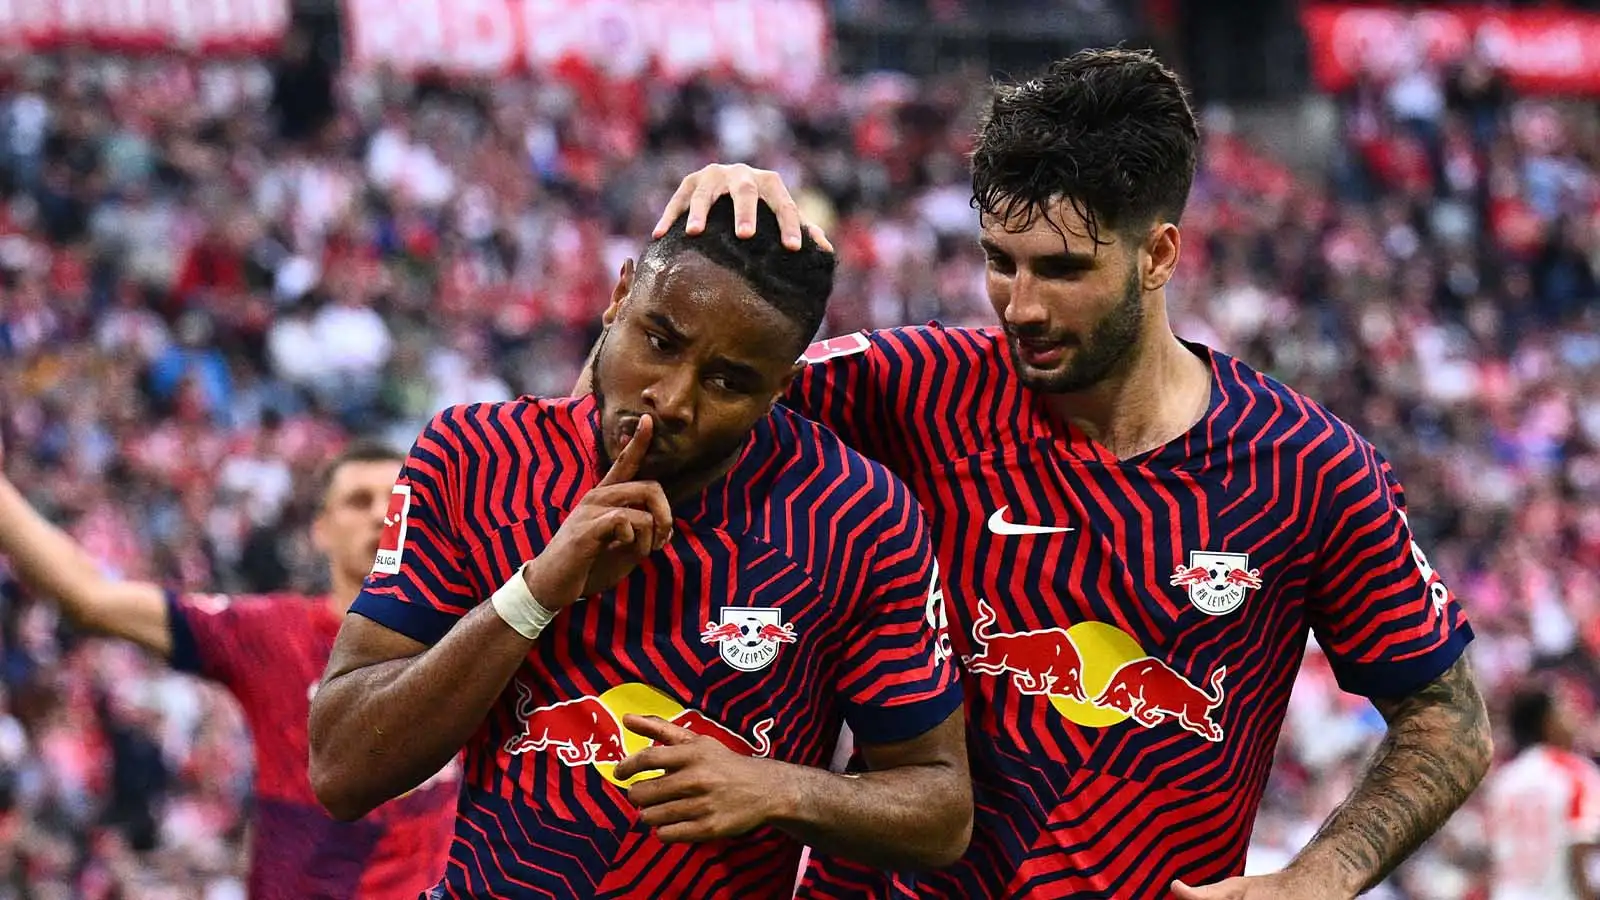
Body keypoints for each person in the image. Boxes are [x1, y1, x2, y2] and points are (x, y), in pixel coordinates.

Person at [633, 48, 1493, 899]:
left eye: (1063, 269)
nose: (1023, 304)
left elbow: (1448, 718)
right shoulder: (913, 387)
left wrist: (1319, 878)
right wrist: (698, 259)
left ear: (1158, 256)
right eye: (1000, 260)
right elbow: (620, 430)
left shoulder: (1309, 468)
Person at [307, 196, 973, 899]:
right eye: (660, 340)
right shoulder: (476, 457)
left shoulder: (854, 515)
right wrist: (533, 594)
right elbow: (343, 769)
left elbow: (939, 810)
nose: (672, 399)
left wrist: (780, 789)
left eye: (727, 381)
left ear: (780, 388)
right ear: (619, 297)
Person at [0, 437, 459, 899]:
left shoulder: (471, 639)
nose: (382, 515)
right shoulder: (273, 633)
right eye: (359, 501)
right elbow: (90, 597)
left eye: (398, 500)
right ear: (320, 529)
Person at [1485, 684, 1600, 900]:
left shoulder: (1504, 780)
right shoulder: (1576, 773)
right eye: (1564, 709)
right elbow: (1580, 849)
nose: (1574, 714)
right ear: (1548, 723)